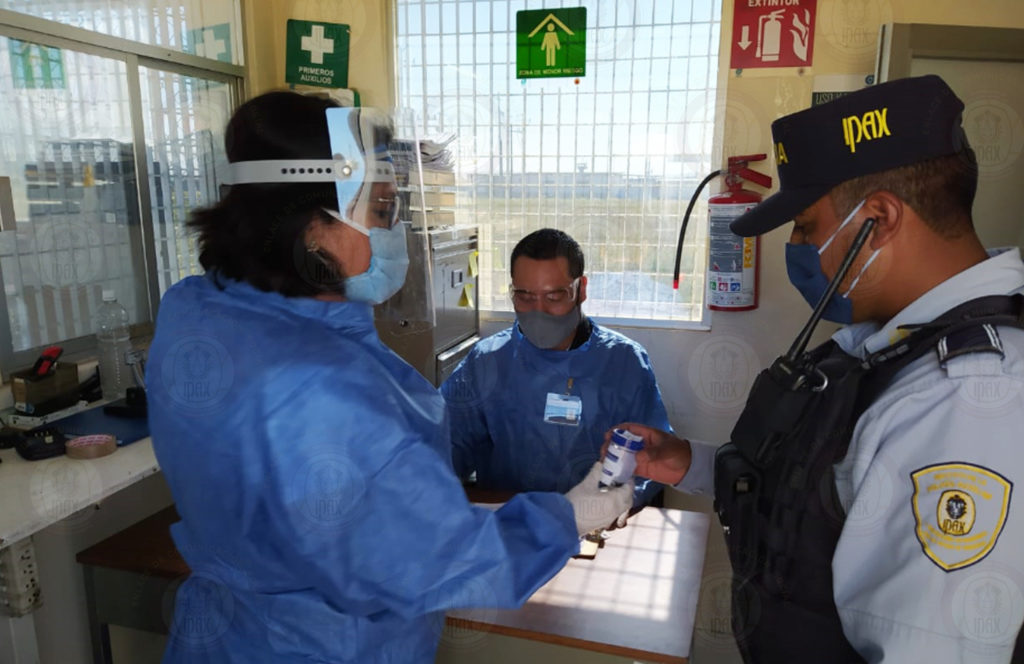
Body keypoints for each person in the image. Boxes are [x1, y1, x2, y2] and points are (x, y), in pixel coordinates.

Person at [145, 92, 633, 664]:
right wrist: (567, 518)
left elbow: (345, 509)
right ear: (313, 230)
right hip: (323, 647)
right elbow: (425, 562)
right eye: (380, 211)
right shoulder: (319, 382)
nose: (394, 230)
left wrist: (434, 509)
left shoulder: (197, 312)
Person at [615, 75, 1024, 662]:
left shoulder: (968, 398)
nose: (797, 247)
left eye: (806, 226)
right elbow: (818, 494)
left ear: (879, 218)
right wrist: (687, 461)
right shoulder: (881, 347)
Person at [441, 228, 672, 509]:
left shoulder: (623, 363)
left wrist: (612, 505)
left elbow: (653, 460)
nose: (538, 312)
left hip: (595, 523)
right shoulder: (487, 362)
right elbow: (442, 447)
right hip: (510, 519)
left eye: (553, 297)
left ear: (581, 289)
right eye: (525, 297)